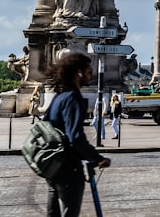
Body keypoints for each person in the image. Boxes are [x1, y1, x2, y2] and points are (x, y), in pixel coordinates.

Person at [44, 51, 110, 216]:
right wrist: (97, 158)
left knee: (53, 213)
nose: (91, 74)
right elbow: (75, 137)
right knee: (70, 212)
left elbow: (46, 125)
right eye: (88, 71)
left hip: (53, 166)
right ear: (78, 73)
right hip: (69, 167)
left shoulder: (59, 97)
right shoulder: (73, 98)